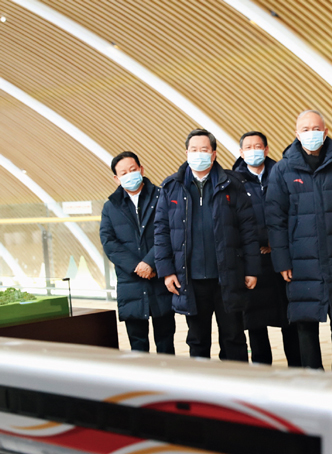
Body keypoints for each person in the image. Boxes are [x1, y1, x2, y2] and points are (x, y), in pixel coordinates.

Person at [266, 110, 332, 372]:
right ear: (296, 134)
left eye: (316, 129)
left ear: (326, 132)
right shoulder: (282, 170)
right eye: (305, 129)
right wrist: (282, 260)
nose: (311, 134)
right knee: (305, 324)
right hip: (301, 262)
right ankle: (314, 378)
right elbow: (275, 219)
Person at [154, 129, 260, 361]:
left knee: (233, 337)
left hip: (227, 276)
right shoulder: (171, 186)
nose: (198, 154)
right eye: (194, 150)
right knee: (197, 339)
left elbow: (248, 230)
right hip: (189, 278)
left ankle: (235, 381)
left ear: (213, 154)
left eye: (204, 150)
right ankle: (201, 382)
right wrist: (167, 271)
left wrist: (252, 269)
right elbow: (161, 231)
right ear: (186, 153)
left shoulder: (232, 184)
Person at [232, 131, 302, 367]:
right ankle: (262, 370)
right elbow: (237, 222)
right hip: (254, 262)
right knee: (255, 324)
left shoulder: (282, 173)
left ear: (267, 149)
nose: (254, 151)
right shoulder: (234, 181)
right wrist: (261, 242)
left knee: (290, 319)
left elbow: (293, 211)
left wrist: (277, 242)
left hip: (283, 258)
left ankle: (296, 368)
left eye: (258, 146)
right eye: (248, 147)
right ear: (241, 153)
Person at [100, 152, 175, 354]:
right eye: (123, 173)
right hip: (131, 283)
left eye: (133, 170)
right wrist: (137, 266)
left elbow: (170, 232)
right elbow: (109, 242)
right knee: (137, 344)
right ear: (116, 178)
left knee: (166, 341)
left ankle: (167, 373)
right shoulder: (110, 207)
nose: (129, 175)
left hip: (159, 277)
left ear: (141, 170)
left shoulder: (162, 197)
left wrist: (150, 262)